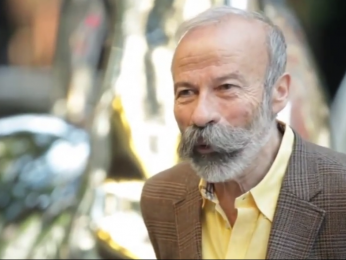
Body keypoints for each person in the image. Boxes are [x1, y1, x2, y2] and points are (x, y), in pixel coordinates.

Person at [140, 5, 346, 260]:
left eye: (226, 87)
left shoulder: (339, 193)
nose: (200, 115)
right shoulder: (161, 197)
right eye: (186, 92)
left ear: (279, 92)